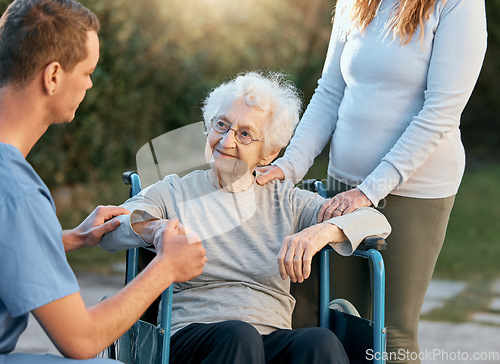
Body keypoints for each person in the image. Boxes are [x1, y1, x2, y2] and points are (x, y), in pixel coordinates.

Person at [99, 71, 392, 364]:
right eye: (221, 125)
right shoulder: (174, 191)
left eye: (244, 134)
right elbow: (111, 231)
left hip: (271, 339)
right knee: (240, 336)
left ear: (269, 153)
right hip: (194, 338)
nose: (226, 141)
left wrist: (321, 232)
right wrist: (155, 229)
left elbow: (376, 221)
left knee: (320, 341)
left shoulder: (286, 200)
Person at [256, 0, 487, 362]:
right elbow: (330, 91)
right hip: (343, 188)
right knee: (337, 317)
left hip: (413, 193)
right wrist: (290, 165)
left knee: (390, 333)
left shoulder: (459, 4)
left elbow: (441, 110)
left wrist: (369, 190)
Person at [0, 1, 206, 362]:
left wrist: (71, 239)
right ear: (53, 76)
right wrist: (165, 268)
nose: (91, 83)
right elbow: (80, 339)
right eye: (87, 71)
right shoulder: (16, 189)